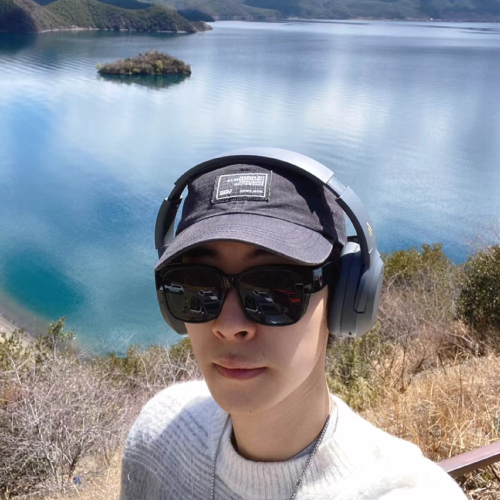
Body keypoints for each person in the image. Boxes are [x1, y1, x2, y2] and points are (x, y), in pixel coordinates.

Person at [119, 149, 466, 500]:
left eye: (274, 289)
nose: (229, 325)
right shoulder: (159, 437)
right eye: (197, 285)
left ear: (344, 299)